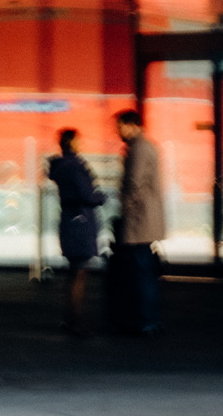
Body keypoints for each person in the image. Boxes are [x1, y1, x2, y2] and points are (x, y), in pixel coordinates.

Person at [46, 128, 106, 337]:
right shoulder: (76, 166)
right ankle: (77, 321)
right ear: (72, 143)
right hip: (81, 221)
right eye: (79, 141)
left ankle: (70, 318)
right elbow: (87, 195)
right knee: (80, 273)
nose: (82, 143)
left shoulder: (60, 166)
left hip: (68, 220)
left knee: (73, 273)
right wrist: (100, 197)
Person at [114, 109, 165, 335]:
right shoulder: (144, 146)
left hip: (139, 220)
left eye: (120, 127)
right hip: (145, 219)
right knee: (144, 271)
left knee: (141, 273)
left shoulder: (139, 149)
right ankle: (147, 318)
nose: (118, 132)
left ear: (132, 125)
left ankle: (145, 320)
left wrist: (125, 208)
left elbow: (133, 183)